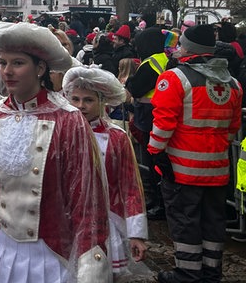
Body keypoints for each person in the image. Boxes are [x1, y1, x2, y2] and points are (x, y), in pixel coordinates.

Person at [0, 21, 109, 283]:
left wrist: (90, 270)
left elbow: (87, 200)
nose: (7, 71)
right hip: (0, 251)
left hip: (51, 257)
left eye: (18, 63)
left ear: (40, 68)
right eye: (3, 62)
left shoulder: (69, 121)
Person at [149, 24, 242, 283]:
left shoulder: (175, 78)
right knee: (213, 222)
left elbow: (164, 122)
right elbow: (232, 128)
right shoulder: (232, 83)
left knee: (185, 220)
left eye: (181, 45)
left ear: (187, 49)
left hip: (182, 169)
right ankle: (211, 271)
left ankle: (187, 273)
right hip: (218, 169)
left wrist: (155, 153)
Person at [62, 66, 149, 278]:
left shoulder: (117, 137)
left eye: (88, 100)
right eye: (75, 99)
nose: (81, 106)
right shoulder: (60, 132)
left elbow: (130, 185)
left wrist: (136, 233)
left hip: (107, 224)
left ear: (102, 102)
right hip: (65, 224)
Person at [125, 27, 168, 221]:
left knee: (151, 161)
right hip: (157, 115)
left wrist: (131, 82)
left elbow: (136, 87)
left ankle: (158, 204)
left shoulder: (151, 62)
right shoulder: (164, 59)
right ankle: (158, 201)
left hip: (150, 117)